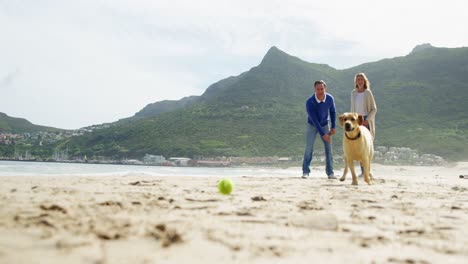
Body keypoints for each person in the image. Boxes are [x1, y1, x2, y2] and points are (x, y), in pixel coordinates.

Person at [302, 80, 336, 179]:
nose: (320, 91)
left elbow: (333, 112)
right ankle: (305, 172)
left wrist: (333, 126)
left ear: (325, 88)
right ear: (315, 89)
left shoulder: (330, 98)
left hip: (325, 124)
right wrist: (323, 134)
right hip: (312, 125)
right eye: (318, 89)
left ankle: (330, 173)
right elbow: (315, 120)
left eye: (322, 89)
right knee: (309, 148)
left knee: (328, 149)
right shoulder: (310, 102)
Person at [350, 72, 377, 176]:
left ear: (364, 81)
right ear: (356, 81)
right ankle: (363, 171)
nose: (360, 81)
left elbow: (374, 109)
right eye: (358, 80)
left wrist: (367, 120)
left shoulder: (368, 93)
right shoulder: (353, 93)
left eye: (361, 79)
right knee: (359, 147)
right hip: (356, 121)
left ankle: (368, 170)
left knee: (367, 146)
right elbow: (352, 108)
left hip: (366, 120)